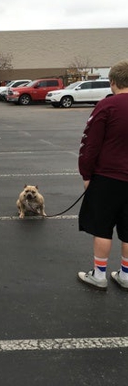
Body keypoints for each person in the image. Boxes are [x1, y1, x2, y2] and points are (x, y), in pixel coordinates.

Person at [77, 60, 128, 291]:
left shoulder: (106, 106)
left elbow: (90, 144)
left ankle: (99, 275)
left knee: (103, 228)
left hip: (108, 178)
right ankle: (126, 275)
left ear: (113, 82)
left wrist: (86, 174)